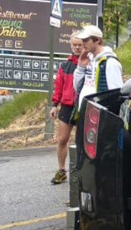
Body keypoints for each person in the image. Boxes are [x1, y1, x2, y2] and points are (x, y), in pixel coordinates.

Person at [49, 34, 83, 185]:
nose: (77, 47)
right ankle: (62, 170)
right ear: (70, 45)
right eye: (74, 45)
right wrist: (54, 105)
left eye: (79, 45)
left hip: (83, 106)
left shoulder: (89, 63)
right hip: (67, 106)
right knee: (62, 139)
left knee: (81, 141)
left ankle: (82, 172)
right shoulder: (65, 66)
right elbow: (58, 87)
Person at [73, 25, 123, 115]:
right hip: (84, 111)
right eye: (83, 40)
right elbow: (77, 88)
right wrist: (80, 67)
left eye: (86, 40)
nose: (83, 44)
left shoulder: (110, 62)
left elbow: (116, 93)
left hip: (100, 116)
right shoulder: (88, 59)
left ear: (97, 40)